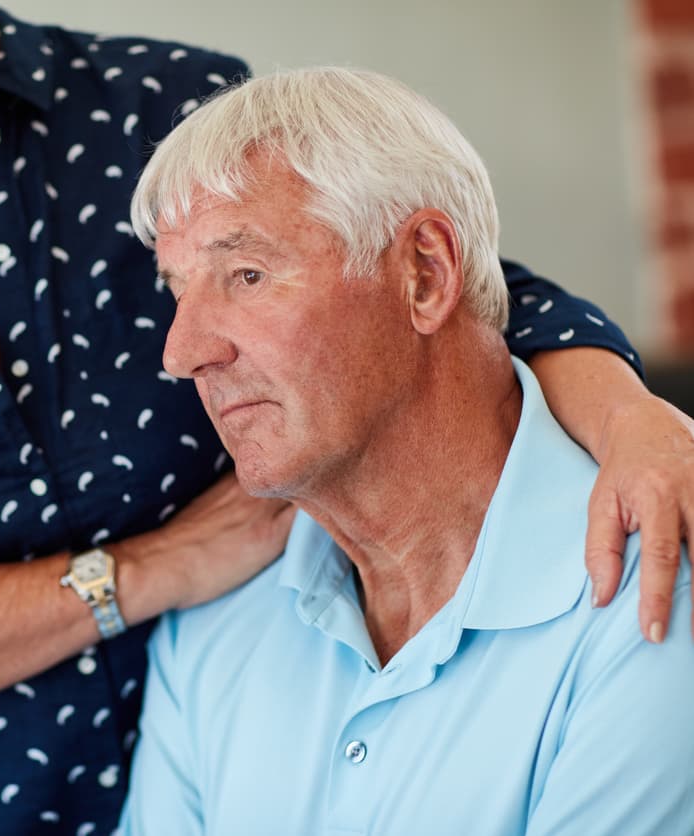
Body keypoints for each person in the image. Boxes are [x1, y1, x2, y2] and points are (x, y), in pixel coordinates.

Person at [0, 1, 694, 832]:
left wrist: (635, 412)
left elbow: (426, 276)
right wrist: (154, 569)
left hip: (268, 748)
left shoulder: (146, 107)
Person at [120, 67, 694, 835]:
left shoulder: (653, 600)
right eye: (178, 291)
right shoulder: (210, 631)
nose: (182, 350)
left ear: (425, 273)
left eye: (246, 274)